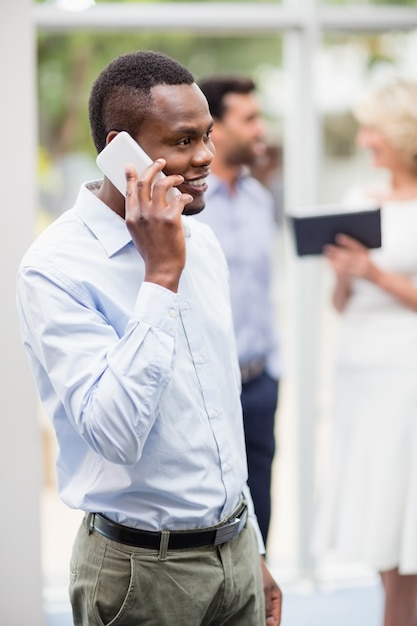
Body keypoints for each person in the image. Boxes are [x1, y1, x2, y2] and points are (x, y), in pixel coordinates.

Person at [16, 51, 281, 626]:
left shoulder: (201, 241)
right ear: (119, 150)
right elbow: (113, 433)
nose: (207, 156)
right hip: (143, 575)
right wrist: (160, 278)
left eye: (208, 135)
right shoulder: (56, 268)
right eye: (184, 140)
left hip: (234, 555)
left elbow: (219, 411)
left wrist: (252, 544)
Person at [311, 76, 417, 626]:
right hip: (360, 374)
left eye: (374, 128)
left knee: (407, 513)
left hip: (408, 376)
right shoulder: (358, 198)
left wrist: (373, 270)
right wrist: (345, 275)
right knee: (379, 513)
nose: (366, 140)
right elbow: (341, 304)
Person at [195, 76, 282, 546]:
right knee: (210, 521)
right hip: (207, 390)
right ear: (217, 129)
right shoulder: (186, 207)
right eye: (249, 119)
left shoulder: (260, 200)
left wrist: (274, 369)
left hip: (260, 385)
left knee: (261, 515)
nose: (259, 129)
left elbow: (264, 293)